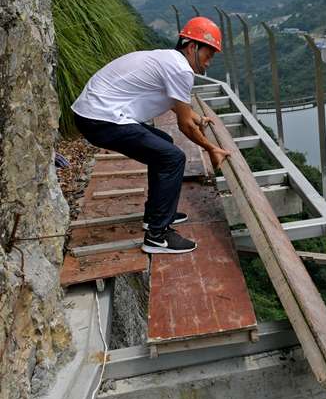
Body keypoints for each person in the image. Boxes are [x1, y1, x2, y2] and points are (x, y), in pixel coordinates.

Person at [71, 16, 230, 255]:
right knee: (172, 158)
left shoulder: (169, 60)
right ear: (192, 47)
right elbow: (185, 126)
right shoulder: (180, 69)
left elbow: (179, 106)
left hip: (94, 115)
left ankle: (155, 215)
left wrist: (197, 117)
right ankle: (157, 236)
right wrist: (211, 149)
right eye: (209, 54)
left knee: (164, 145)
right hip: (102, 119)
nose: (210, 62)